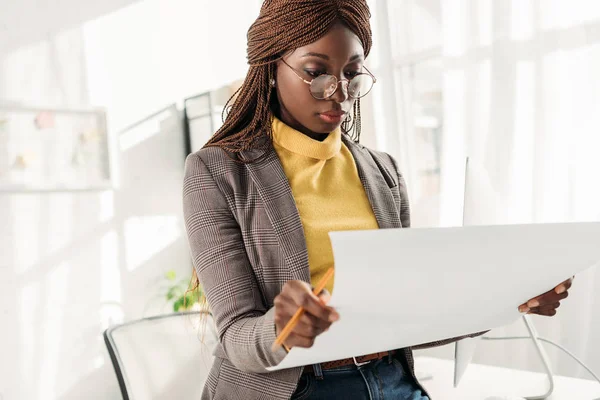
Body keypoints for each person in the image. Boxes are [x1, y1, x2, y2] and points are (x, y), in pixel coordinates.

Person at [182, 1, 573, 399]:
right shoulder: (218, 172)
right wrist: (280, 329)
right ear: (270, 68)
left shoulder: (382, 171)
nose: (339, 93)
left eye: (352, 74)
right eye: (316, 73)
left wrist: (511, 298)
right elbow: (236, 337)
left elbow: (409, 318)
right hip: (293, 389)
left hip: (391, 381)